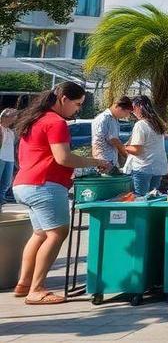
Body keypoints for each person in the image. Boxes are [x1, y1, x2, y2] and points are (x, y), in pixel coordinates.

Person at [11, 82, 111, 305]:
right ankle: (36, 290)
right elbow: (63, 158)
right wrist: (96, 161)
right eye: (77, 104)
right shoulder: (56, 122)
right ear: (63, 99)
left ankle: (24, 283)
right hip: (45, 185)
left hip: (24, 184)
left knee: (40, 234)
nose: (77, 110)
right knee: (57, 234)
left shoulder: (35, 119)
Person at [123, 96, 168, 196]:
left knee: (140, 199)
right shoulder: (157, 123)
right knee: (153, 197)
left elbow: (137, 150)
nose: (132, 111)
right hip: (158, 167)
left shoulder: (140, 125)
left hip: (143, 167)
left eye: (133, 108)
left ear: (139, 107)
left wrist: (122, 147)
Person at [90, 97, 133, 167]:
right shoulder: (106, 118)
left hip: (108, 159)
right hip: (105, 160)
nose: (127, 116)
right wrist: (127, 155)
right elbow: (113, 140)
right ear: (118, 107)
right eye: (127, 112)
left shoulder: (113, 119)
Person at [0, 108, 17, 212]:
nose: (14, 119)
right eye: (12, 116)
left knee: (6, 183)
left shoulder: (11, 131)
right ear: (5, 117)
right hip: (1, 157)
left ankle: (1, 202)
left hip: (9, 159)